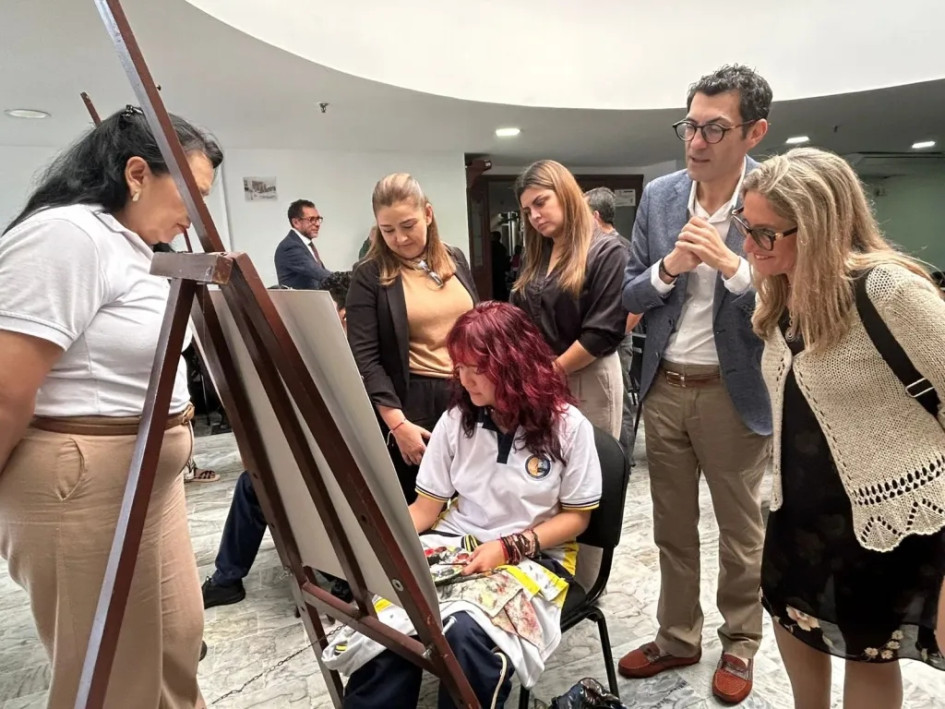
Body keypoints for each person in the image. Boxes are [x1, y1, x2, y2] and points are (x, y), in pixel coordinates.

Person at [0, 105, 221, 708]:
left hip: (149, 477)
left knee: (175, 642)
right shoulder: (67, 235)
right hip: (79, 480)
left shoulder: (135, 246)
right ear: (136, 174)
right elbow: (5, 389)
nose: (196, 215)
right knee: (112, 673)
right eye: (193, 195)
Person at [740, 147, 945, 708]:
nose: (749, 246)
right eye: (746, 226)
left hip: (884, 511)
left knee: (869, 649)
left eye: (764, 233)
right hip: (798, 508)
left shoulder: (889, 291)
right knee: (793, 619)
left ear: (817, 229)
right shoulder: (781, 291)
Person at [338, 302, 602, 708]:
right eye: (459, 367)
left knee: (466, 634)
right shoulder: (457, 420)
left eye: (477, 368)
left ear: (513, 363)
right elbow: (426, 510)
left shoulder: (567, 426)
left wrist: (508, 547)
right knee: (393, 623)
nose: (465, 379)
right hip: (456, 543)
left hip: (534, 557)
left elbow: (577, 519)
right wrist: (376, 540)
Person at [618, 64, 773, 704]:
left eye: (715, 128)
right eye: (690, 125)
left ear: (754, 131)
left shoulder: (775, 197)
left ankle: (740, 642)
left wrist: (733, 266)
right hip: (665, 385)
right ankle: (678, 636)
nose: (697, 141)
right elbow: (627, 290)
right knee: (670, 525)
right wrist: (669, 268)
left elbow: (794, 303)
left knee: (741, 530)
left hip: (734, 391)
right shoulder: (659, 198)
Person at [202, 272, 353, 609]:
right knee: (254, 483)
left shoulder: (359, 355)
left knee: (280, 486)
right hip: (310, 457)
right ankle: (227, 579)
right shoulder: (308, 350)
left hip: (347, 465)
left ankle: (342, 575)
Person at [346, 173, 478, 502]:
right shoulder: (369, 275)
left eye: (408, 225)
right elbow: (365, 359)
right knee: (423, 505)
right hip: (415, 405)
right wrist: (397, 424)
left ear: (428, 215)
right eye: (388, 230)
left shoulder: (455, 258)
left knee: (470, 500)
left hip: (470, 396)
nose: (400, 239)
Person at [511, 161, 628, 441]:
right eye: (528, 211)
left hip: (587, 375)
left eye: (541, 203)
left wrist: (549, 373)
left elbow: (601, 333)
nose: (535, 216)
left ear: (565, 193)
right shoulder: (537, 253)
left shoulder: (608, 252)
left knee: (589, 472)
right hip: (540, 377)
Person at [584, 187, 642, 455]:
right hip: (601, 339)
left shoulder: (620, 250)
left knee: (619, 402)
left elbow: (637, 304)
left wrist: (616, 334)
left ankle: (621, 459)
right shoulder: (593, 249)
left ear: (595, 217)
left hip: (616, 341)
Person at [274, 198, 331, 289]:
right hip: (300, 302)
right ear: (296, 222)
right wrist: (351, 280)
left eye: (318, 219)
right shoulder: (290, 247)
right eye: (311, 219)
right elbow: (319, 273)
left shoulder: (304, 244)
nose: (317, 224)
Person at [490, 229, 511, 301]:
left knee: (495, 286)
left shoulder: (490, 247)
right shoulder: (502, 247)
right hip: (500, 270)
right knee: (501, 285)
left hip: (493, 270)